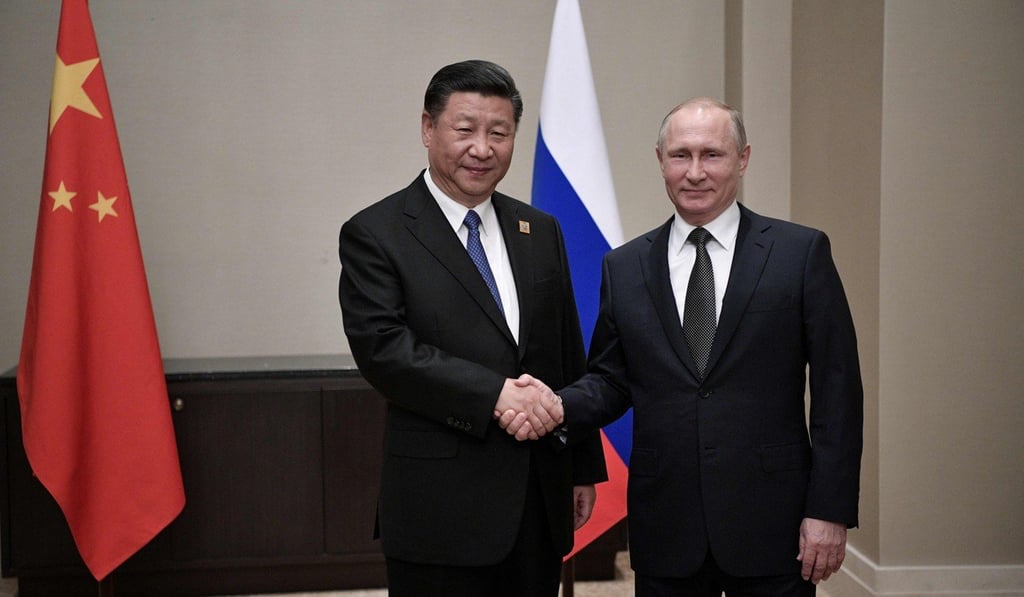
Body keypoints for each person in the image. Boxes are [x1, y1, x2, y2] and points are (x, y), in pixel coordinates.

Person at [501, 97, 863, 596]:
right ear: (660, 161)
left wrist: (828, 509)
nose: (694, 172)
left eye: (711, 155)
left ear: (743, 158)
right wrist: (557, 406)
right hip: (665, 523)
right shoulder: (624, 267)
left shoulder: (799, 254)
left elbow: (837, 391)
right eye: (680, 155)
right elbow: (611, 379)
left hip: (772, 521)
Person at [337, 59, 607, 597]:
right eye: (465, 129)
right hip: (440, 508)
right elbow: (386, 353)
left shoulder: (539, 229)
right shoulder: (377, 232)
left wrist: (581, 465)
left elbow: (565, 351)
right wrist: (496, 396)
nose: (482, 148)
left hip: (537, 495)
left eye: (499, 132)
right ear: (427, 128)